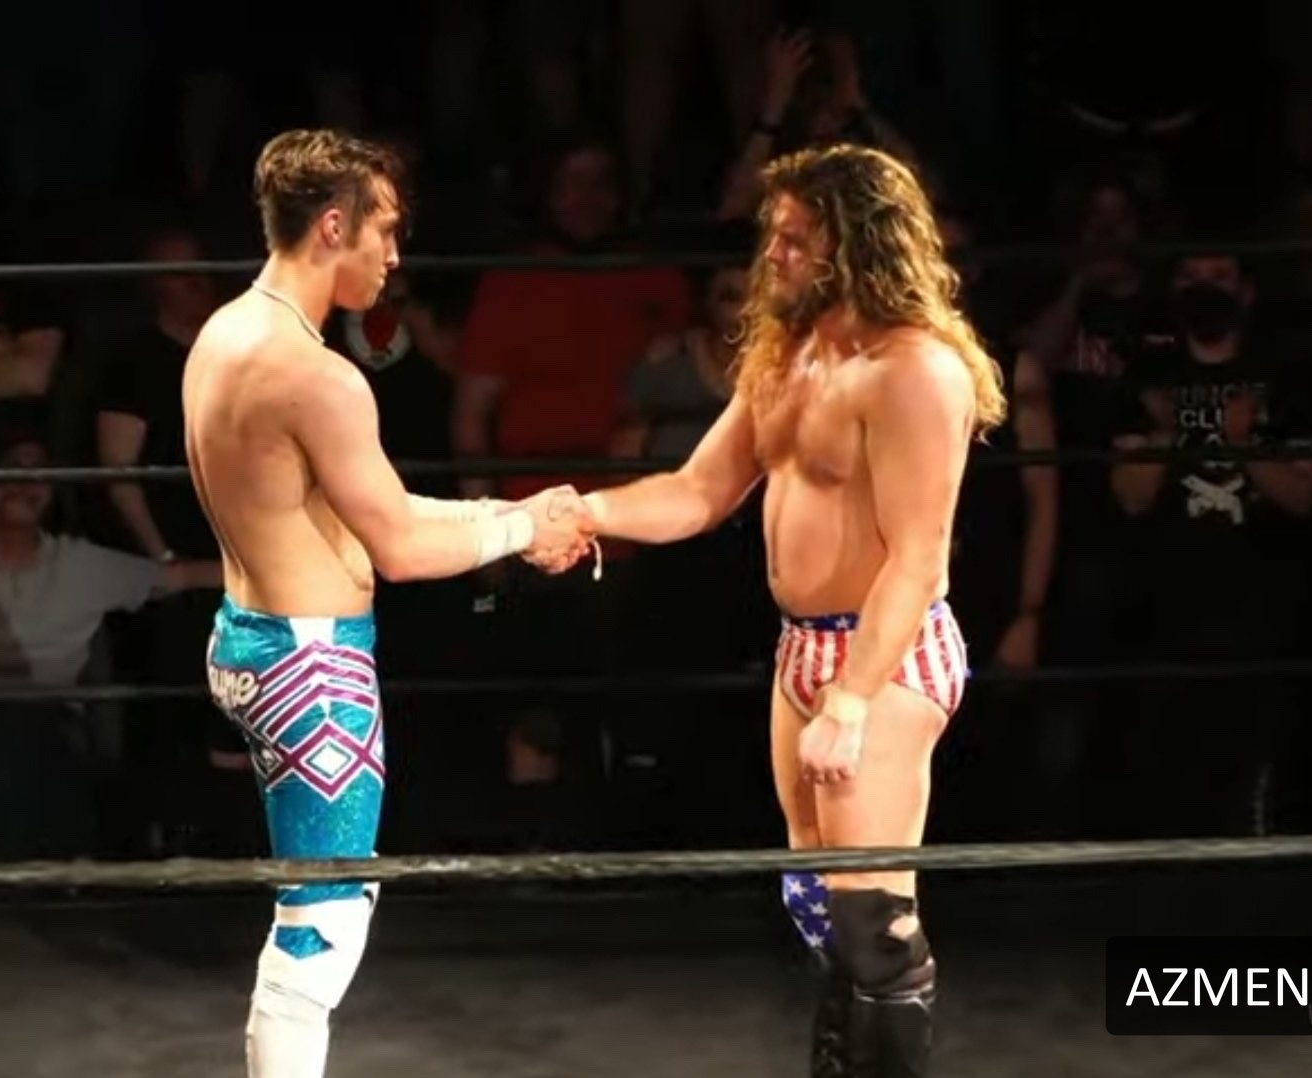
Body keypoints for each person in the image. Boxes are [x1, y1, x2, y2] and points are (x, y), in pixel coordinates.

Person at [574, 143, 1006, 1076]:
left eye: (795, 238)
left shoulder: (913, 371)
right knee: (818, 906)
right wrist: (583, 513)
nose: (772, 255)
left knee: (874, 923)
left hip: (883, 658)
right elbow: (696, 491)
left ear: (853, 243)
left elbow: (918, 559)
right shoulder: (789, 356)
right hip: (801, 649)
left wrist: (850, 700)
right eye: (773, 234)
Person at [181, 129, 592, 1078]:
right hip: (311, 667)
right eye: (386, 231)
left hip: (250, 641)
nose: (396, 257)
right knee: (319, 932)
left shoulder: (223, 336)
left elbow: (377, 508)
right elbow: (399, 548)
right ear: (334, 227)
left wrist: (512, 515)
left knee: (315, 910)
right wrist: (519, 530)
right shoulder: (317, 378)